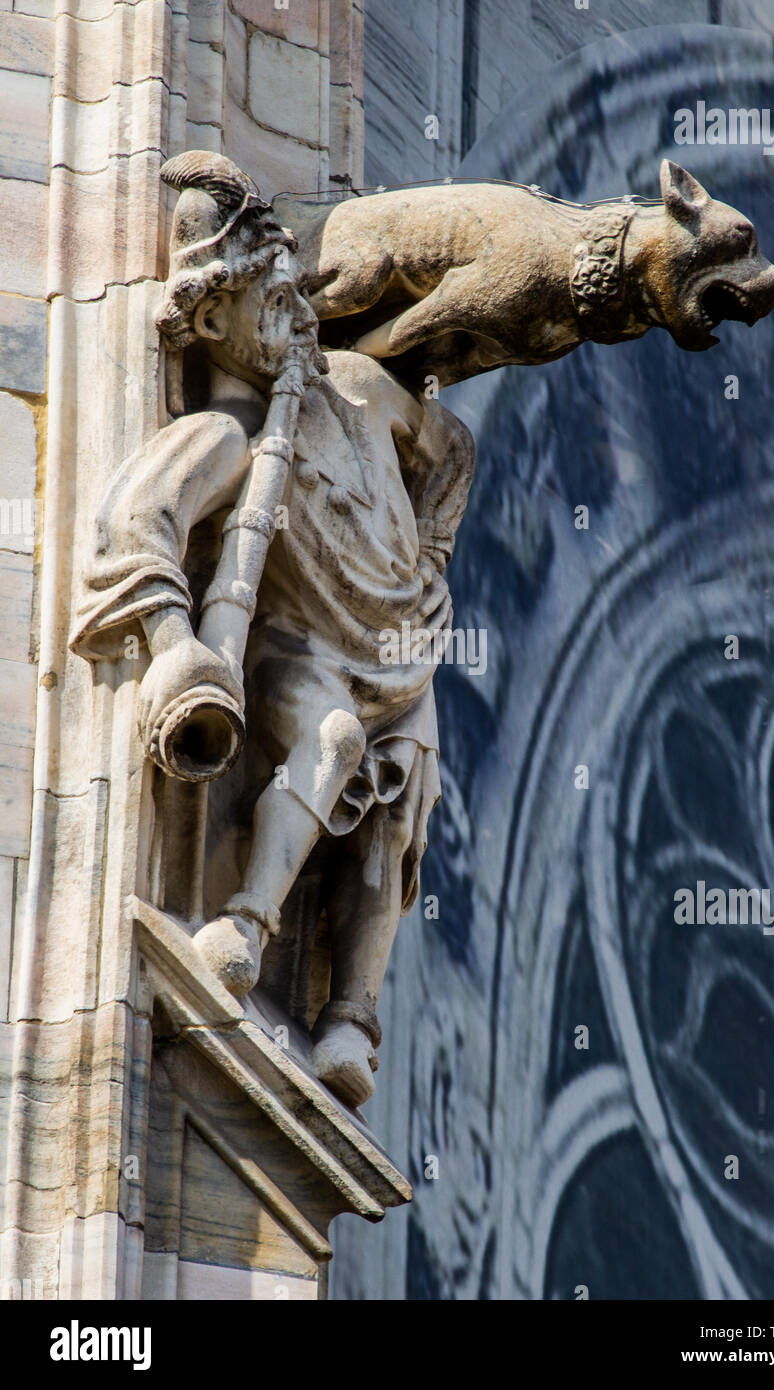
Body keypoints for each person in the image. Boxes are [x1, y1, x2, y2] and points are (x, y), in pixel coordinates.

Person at [71, 153, 474, 1107]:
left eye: (296, 284)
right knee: (333, 743)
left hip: (402, 648)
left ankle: (352, 1021)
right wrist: (177, 644)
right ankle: (247, 924)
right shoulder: (232, 438)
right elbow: (140, 519)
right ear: (214, 322)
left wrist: (431, 560)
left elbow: (451, 446)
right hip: (305, 653)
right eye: (267, 297)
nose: (293, 306)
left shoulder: (358, 388)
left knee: (397, 816)